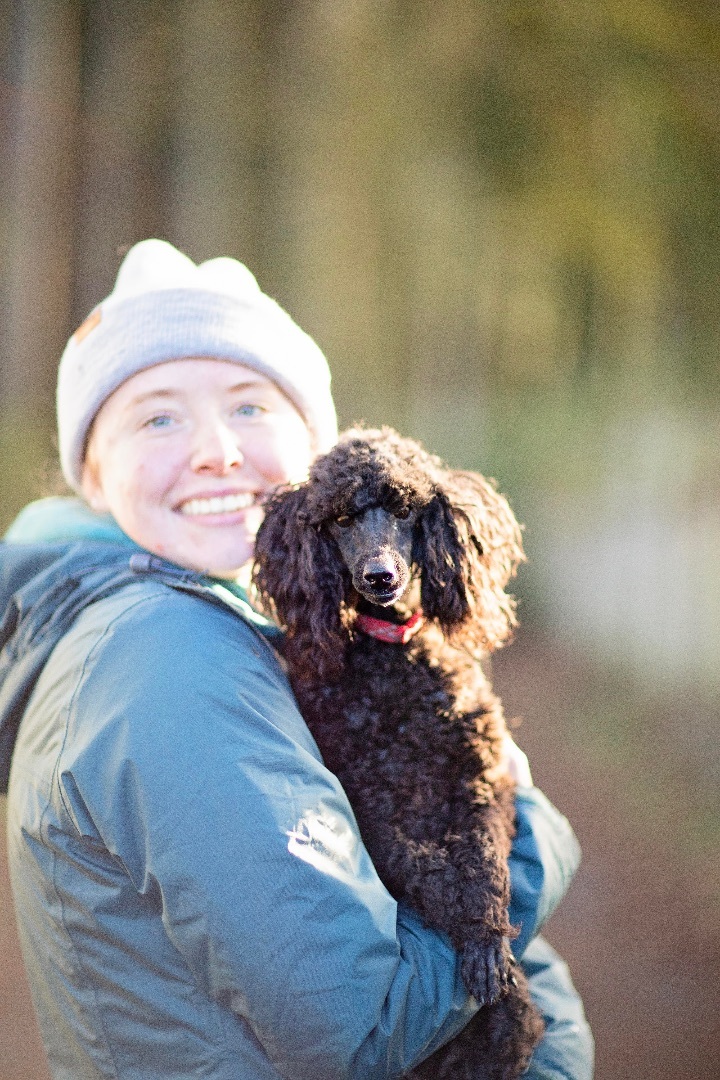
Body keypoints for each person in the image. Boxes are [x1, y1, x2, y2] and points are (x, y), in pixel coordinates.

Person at [0, 239, 593, 1079]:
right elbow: (359, 1027)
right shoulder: (163, 659)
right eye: (158, 415)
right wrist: (537, 841)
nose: (220, 450)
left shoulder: (231, 626)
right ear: (91, 477)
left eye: (250, 407)